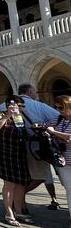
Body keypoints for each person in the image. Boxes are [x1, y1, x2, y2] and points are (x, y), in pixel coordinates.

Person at [0, 83, 61, 212]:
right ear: (29, 92)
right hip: (35, 148)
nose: (21, 107)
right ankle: (18, 201)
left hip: (20, 148)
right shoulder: (38, 105)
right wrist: (44, 125)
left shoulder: (10, 104)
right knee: (39, 176)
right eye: (35, 92)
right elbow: (59, 117)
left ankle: (20, 204)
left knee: (23, 179)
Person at [0, 95, 33, 226]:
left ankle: (19, 211)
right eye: (18, 106)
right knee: (10, 183)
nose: (20, 108)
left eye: (21, 106)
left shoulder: (19, 117)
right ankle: (9, 213)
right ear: (9, 105)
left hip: (18, 152)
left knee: (20, 183)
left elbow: (23, 134)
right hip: (5, 153)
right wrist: (8, 115)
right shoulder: (1, 114)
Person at [46, 95, 71, 227]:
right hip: (63, 161)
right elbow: (47, 125)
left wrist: (54, 132)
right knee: (69, 189)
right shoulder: (60, 119)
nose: (58, 110)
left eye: (61, 107)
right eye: (56, 107)